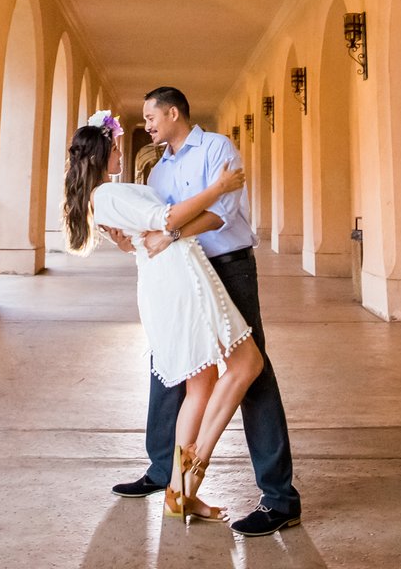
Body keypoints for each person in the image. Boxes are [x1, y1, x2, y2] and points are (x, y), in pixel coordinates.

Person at [108, 87, 303, 537]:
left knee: (252, 372)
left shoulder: (217, 148)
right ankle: (165, 473)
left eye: (151, 117)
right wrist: (133, 239)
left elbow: (221, 212)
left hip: (229, 267)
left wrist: (171, 234)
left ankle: (279, 498)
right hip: (181, 273)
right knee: (169, 364)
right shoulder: (159, 171)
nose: (147, 125)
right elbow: (157, 223)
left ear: (173, 113)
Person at [61, 117, 261, 523]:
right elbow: (167, 219)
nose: (120, 151)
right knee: (242, 366)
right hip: (177, 279)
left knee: (202, 382)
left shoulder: (106, 195)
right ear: (100, 154)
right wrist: (219, 188)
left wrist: (139, 237)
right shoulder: (108, 192)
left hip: (174, 273)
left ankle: (181, 491)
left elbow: (138, 238)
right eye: (115, 147)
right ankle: (189, 474)